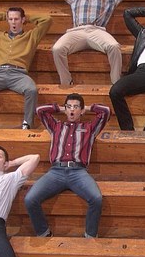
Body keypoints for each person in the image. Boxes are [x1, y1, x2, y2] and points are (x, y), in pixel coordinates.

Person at [24, 93, 110, 238]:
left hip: (78, 172)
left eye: (76, 107)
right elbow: (39, 110)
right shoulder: (55, 126)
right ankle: (43, 233)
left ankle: (90, 236)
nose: (72, 110)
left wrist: (88, 108)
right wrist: (59, 108)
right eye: (69, 107)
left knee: (96, 199)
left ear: (81, 111)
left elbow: (106, 111)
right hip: (55, 172)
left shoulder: (89, 127)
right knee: (29, 199)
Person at [53, 0, 131, 86]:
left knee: (114, 46)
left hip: (97, 30)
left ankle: (116, 83)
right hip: (77, 31)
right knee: (57, 49)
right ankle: (66, 82)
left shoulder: (108, 1)